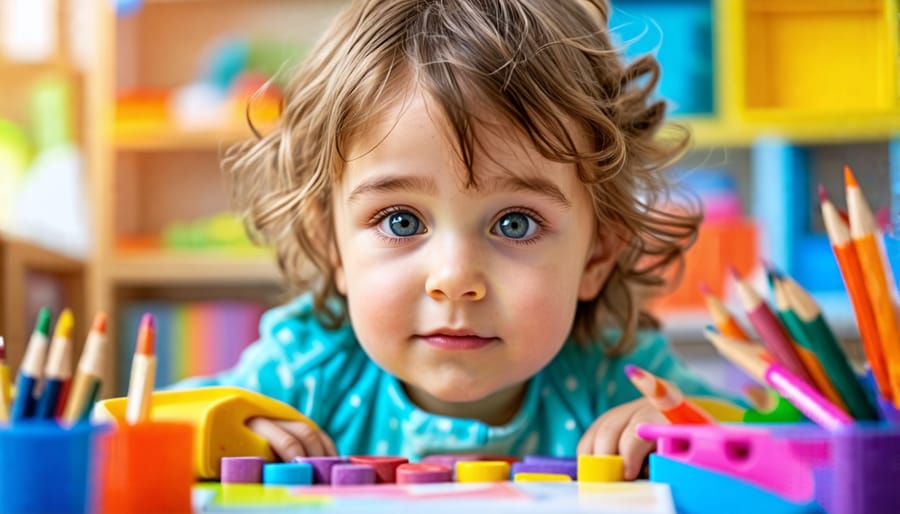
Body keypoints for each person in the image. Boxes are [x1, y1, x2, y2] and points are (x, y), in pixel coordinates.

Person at [179, 0, 731, 480]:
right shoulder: (308, 378)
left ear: (597, 253)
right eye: (401, 221)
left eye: (515, 223)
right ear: (331, 241)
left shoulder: (613, 376)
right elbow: (123, 428)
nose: (455, 279)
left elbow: (788, 439)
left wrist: (694, 431)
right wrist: (212, 430)